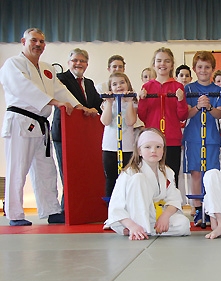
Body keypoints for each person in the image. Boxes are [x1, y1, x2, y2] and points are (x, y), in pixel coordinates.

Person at [0, 28, 94, 226]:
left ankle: (51, 210)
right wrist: (51, 101)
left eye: (42, 42)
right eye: (34, 40)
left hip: (41, 125)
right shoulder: (13, 64)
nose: (38, 45)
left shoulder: (46, 68)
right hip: (20, 121)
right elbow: (21, 88)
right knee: (18, 169)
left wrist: (79, 106)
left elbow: (61, 90)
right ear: (23, 41)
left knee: (46, 169)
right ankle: (14, 214)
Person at [104, 128, 191, 239]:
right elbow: (116, 206)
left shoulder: (167, 172)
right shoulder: (129, 173)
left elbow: (174, 199)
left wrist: (165, 216)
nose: (153, 151)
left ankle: (145, 229)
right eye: (147, 147)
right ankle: (137, 229)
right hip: (130, 218)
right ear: (139, 151)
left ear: (163, 150)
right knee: (138, 179)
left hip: (153, 215)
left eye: (158, 147)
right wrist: (132, 225)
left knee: (183, 224)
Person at [52, 48, 102, 211]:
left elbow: (95, 104)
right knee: (68, 174)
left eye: (82, 61)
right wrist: (84, 109)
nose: (78, 63)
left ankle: (81, 210)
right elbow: (67, 98)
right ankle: (66, 210)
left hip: (83, 134)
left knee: (81, 173)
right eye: (75, 60)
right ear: (69, 63)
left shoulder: (89, 83)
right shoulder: (61, 79)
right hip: (64, 133)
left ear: (87, 64)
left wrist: (97, 109)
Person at [183, 51, 221, 226]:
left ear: (213, 69)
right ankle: (198, 209)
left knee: (210, 173)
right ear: (194, 69)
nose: (203, 70)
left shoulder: (218, 90)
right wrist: (197, 107)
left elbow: (219, 113)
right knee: (196, 172)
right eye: (200, 67)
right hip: (193, 136)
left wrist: (207, 107)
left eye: (207, 67)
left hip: (212, 137)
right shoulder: (188, 89)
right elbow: (185, 113)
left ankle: (211, 208)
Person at [138, 47, 188, 187]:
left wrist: (180, 100)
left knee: (171, 178)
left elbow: (182, 115)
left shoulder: (178, 86)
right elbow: (142, 116)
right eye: (159, 61)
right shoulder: (147, 86)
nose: (163, 64)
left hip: (172, 140)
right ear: (154, 64)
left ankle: (172, 206)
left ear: (172, 64)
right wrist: (142, 100)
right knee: (150, 177)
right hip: (152, 140)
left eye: (167, 61)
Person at [100, 72, 137, 198]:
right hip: (110, 147)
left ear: (128, 84)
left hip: (127, 147)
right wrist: (109, 103)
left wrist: (129, 102)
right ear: (110, 88)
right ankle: (111, 209)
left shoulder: (132, 103)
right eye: (114, 84)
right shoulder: (107, 103)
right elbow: (105, 121)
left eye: (122, 82)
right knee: (111, 178)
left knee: (128, 178)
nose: (119, 86)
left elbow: (131, 121)